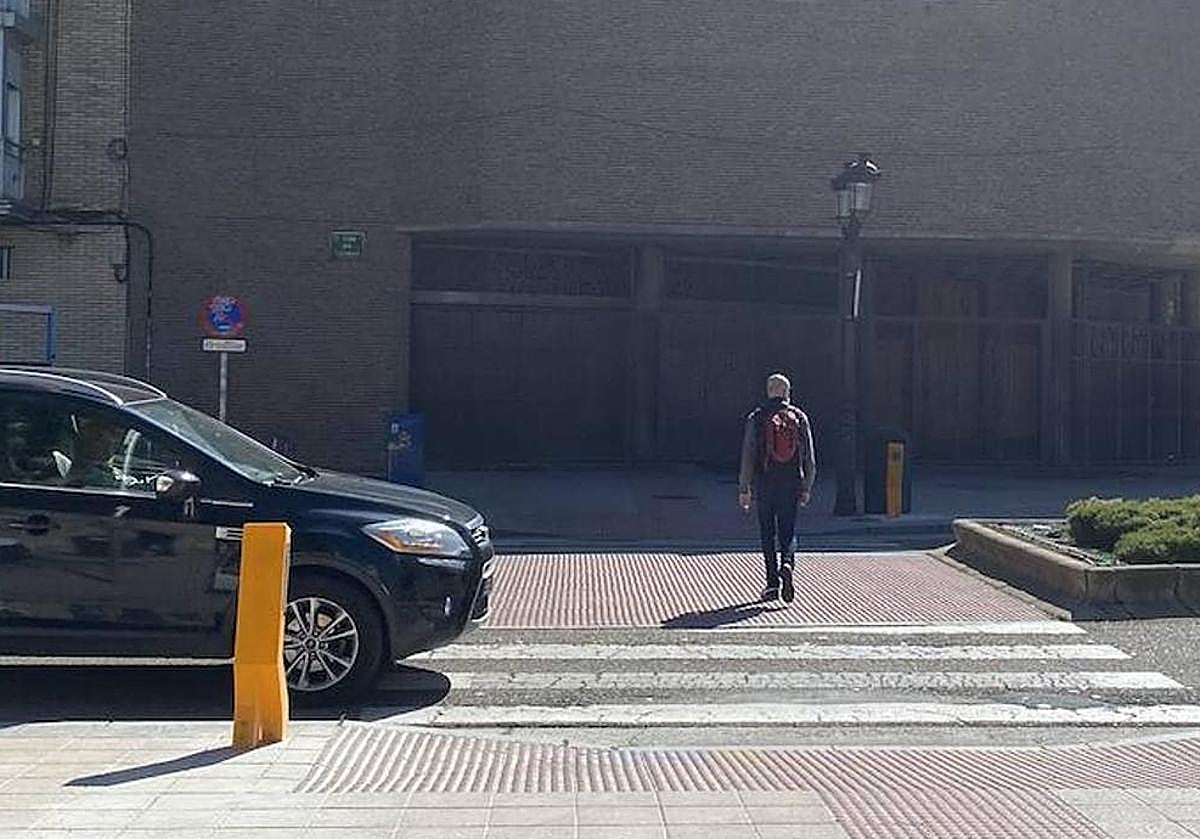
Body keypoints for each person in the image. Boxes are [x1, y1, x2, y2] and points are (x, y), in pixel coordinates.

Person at [737, 373, 816, 603]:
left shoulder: (757, 417)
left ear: (769, 391)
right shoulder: (799, 417)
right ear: (786, 392)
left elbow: (748, 454)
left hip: (765, 481)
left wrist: (744, 487)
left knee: (767, 533)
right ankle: (787, 563)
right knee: (788, 531)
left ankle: (772, 584)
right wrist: (807, 486)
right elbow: (809, 457)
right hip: (791, 482)